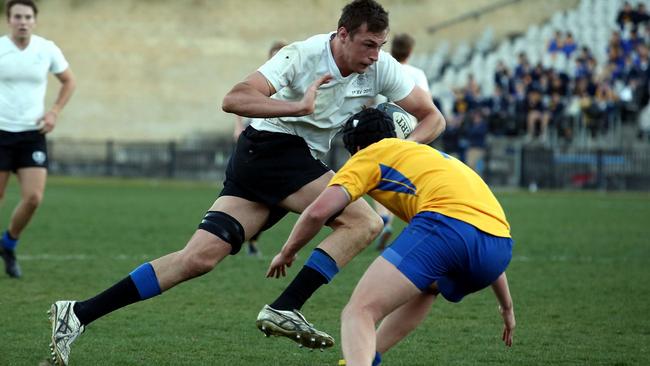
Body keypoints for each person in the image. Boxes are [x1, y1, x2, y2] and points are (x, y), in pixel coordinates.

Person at [48, 0, 445, 364]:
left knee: (198, 258)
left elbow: (434, 118)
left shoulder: (381, 67)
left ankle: (78, 313)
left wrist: (395, 151)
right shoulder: (302, 55)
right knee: (364, 221)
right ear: (343, 34)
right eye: (368, 44)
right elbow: (234, 98)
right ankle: (286, 306)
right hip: (272, 148)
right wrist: (297, 106)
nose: (375, 55)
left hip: (279, 161)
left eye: (380, 45)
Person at [265, 108, 514, 366]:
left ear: (357, 147)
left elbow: (317, 212)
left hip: (446, 228)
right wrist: (506, 307)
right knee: (428, 287)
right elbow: (481, 226)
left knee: (359, 311)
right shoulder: (430, 154)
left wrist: (287, 252)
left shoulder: (369, 155)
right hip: (498, 249)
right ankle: (367, 357)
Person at [0, 0, 76, 278]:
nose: (23, 21)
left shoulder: (46, 49)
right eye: (17, 16)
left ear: (35, 20)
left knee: (33, 198)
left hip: (33, 134)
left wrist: (54, 112)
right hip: (1, 132)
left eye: (28, 16)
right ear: (9, 20)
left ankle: (8, 243)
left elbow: (69, 80)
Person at [372, 32, 431, 251]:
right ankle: (416, 227)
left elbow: (372, 100)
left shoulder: (383, 68)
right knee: (407, 180)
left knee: (377, 179)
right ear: (410, 51)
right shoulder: (417, 73)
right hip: (410, 132)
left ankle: (383, 218)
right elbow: (427, 105)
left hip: (382, 129)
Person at [232, 40, 287, 257]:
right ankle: (241, 234)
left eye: (280, 55)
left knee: (273, 200)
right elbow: (239, 101)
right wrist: (237, 127)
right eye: (274, 55)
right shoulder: (263, 79)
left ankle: (249, 236)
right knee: (251, 196)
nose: (277, 59)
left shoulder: (290, 82)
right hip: (255, 142)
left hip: (280, 146)